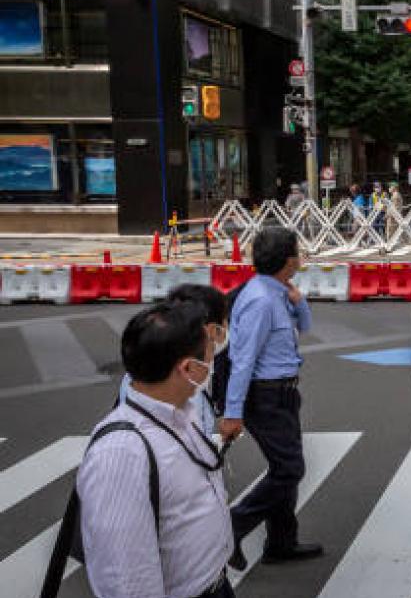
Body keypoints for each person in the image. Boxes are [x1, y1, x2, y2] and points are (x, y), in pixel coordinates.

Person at [78, 301, 234, 598]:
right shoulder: (122, 453)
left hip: (215, 584)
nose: (214, 359)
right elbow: (127, 581)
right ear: (188, 368)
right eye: (210, 354)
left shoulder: (179, 413)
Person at [221, 228, 323, 569]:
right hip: (265, 396)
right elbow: (242, 360)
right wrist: (233, 414)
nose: (301, 256)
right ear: (287, 260)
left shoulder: (277, 292)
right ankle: (231, 528)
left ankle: (281, 541)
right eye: (298, 251)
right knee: (290, 469)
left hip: (284, 393)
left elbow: (304, 326)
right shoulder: (261, 301)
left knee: (285, 467)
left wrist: (299, 300)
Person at [119, 284, 229, 436]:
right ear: (210, 330)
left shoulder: (153, 370)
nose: (227, 329)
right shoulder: (181, 387)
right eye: (225, 322)